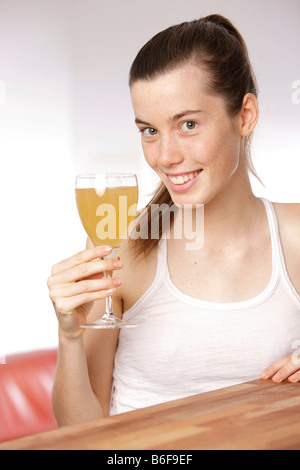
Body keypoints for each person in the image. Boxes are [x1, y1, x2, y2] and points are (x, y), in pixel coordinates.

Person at [48, 14, 300, 425]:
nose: (164, 157)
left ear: (246, 115)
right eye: (149, 130)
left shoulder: (295, 238)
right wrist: (69, 335)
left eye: (188, 124)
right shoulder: (125, 252)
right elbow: (80, 431)